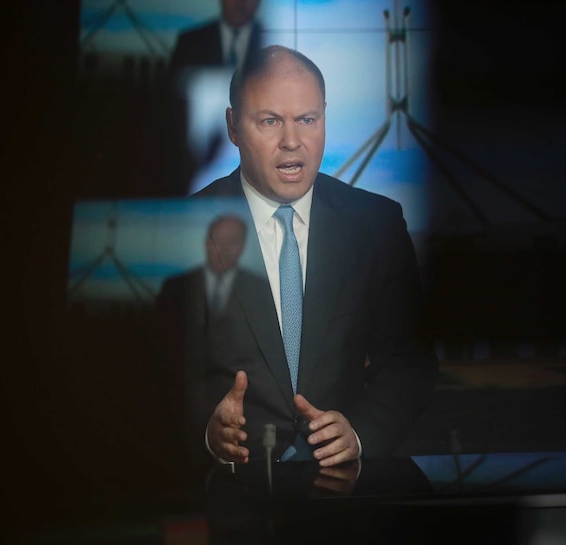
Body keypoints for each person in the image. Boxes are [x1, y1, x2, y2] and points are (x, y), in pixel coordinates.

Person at [158, 45, 437, 472]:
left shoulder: (376, 224)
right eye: (270, 121)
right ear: (233, 126)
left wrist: (361, 433)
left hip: (346, 493)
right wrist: (206, 430)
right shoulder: (182, 232)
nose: (292, 142)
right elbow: (156, 373)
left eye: (307, 120)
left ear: (324, 116)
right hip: (228, 492)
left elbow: (408, 363)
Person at [164, 0, 264, 196]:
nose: (240, 3)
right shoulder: (190, 42)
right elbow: (170, 113)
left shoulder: (273, 40)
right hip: (193, 178)